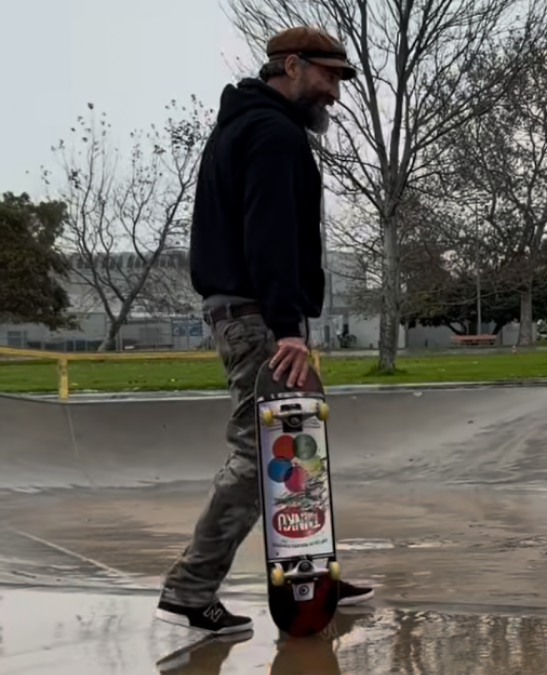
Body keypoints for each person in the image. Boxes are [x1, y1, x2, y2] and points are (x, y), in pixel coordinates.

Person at [156, 26, 374, 634]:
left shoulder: (243, 125)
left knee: (298, 440)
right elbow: (270, 237)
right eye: (328, 77)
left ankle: (310, 573)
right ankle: (190, 588)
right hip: (259, 318)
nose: (334, 93)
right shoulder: (275, 135)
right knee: (266, 448)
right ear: (292, 65)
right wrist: (288, 329)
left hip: (252, 315)